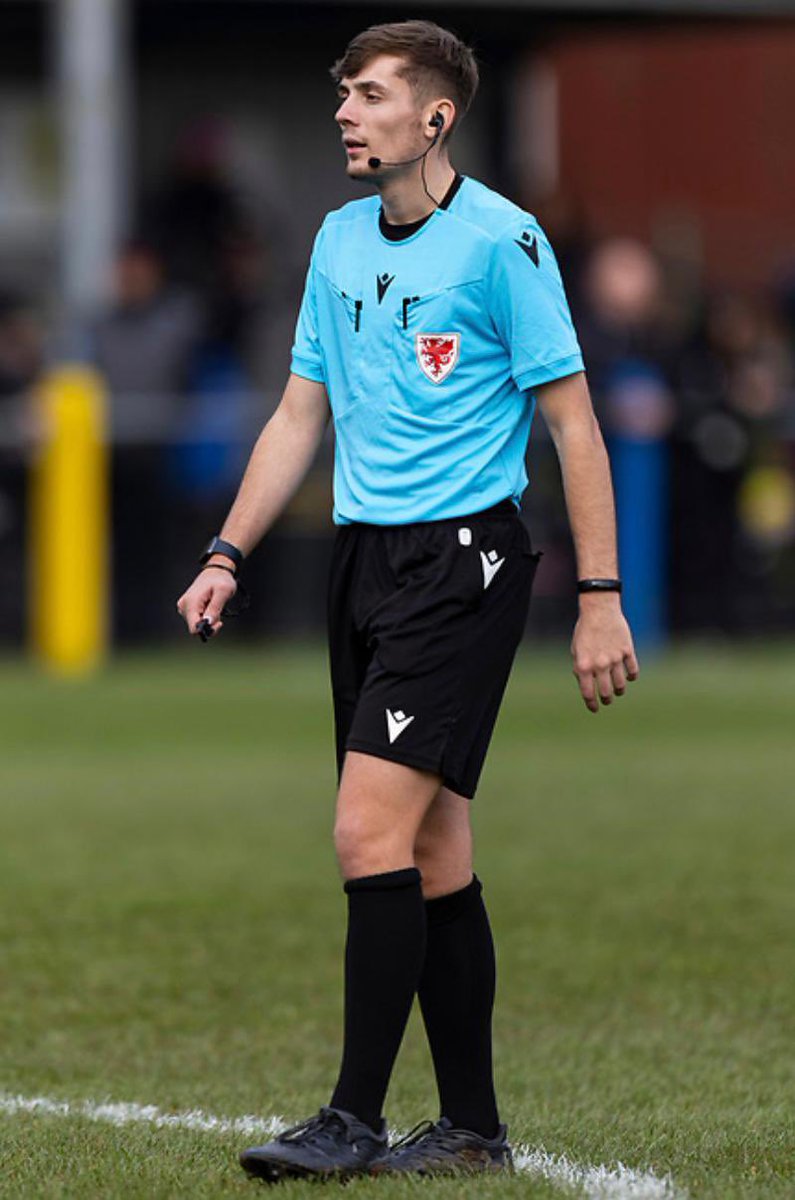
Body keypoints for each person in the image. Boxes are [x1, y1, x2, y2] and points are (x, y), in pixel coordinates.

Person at [176, 19, 639, 1183]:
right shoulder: (338, 239)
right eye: (341, 91)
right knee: (432, 848)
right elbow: (299, 413)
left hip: (464, 565)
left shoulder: (504, 245)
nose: (344, 111)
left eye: (369, 93)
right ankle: (475, 1128)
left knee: (363, 832)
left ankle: (350, 1117)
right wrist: (228, 550)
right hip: (362, 563)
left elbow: (574, 425)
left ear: (434, 118)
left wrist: (600, 597)